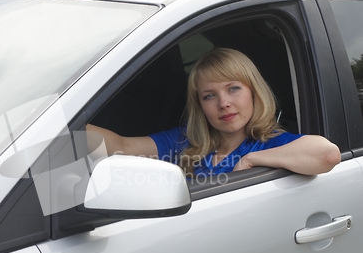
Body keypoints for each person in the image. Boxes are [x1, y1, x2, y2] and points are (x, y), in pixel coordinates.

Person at [87, 48, 340, 177]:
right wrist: (59, 122)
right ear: (200, 104)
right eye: (210, 95)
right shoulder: (186, 140)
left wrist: (251, 161)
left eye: (233, 89)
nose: (223, 103)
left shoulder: (269, 143)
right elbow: (120, 146)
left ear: (254, 92)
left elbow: (327, 154)